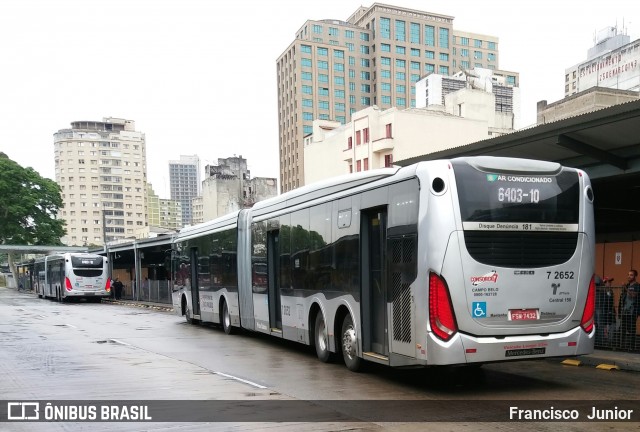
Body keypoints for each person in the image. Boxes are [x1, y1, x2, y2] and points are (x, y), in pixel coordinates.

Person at [618, 270, 640, 350]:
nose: (629, 276)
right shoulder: (627, 285)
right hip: (625, 311)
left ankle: (632, 347)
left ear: (635, 276)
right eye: (628, 274)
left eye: (631, 275)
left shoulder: (637, 286)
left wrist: (625, 288)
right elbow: (622, 298)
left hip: (632, 312)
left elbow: (633, 295)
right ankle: (622, 346)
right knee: (622, 329)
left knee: (631, 329)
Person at [594, 276, 616, 347]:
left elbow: (610, 301)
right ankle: (600, 341)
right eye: (608, 282)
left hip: (608, 311)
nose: (609, 283)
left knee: (607, 325)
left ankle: (606, 341)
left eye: (610, 282)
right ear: (604, 283)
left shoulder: (609, 291)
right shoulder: (601, 291)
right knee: (600, 324)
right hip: (603, 310)